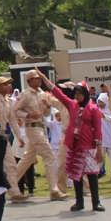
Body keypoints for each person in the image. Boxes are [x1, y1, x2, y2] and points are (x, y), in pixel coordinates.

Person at [38, 72, 105, 212]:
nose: (77, 96)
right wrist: (44, 78)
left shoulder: (93, 109)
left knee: (92, 173)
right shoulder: (72, 105)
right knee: (76, 173)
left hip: (87, 145)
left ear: (85, 93)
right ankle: (79, 202)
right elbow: (57, 93)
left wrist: (99, 149)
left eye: (80, 93)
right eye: (76, 93)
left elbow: (98, 130)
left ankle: (96, 202)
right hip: (74, 144)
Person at [12, 70, 69, 200]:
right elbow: (14, 110)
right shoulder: (25, 95)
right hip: (32, 128)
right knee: (49, 155)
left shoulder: (42, 94)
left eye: (40, 78)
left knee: (27, 160)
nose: (39, 80)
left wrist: (47, 106)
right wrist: (28, 115)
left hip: (41, 128)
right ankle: (54, 190)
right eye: (37, 78)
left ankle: (9, 185)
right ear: (30, 80)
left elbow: (46, 113)